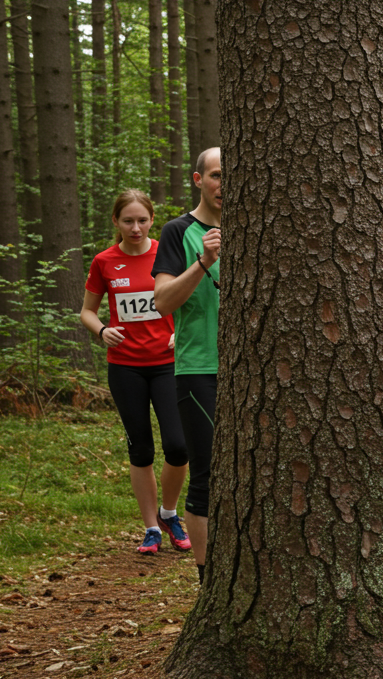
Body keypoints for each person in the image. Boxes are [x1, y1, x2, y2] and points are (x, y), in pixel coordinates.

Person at [80, 190, 191, 555]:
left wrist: (180, 331)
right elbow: (87, 311)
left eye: (142, 220)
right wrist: (101, 330)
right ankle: (150, 529)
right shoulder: (104, 261)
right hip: (125, 366)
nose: (136, 228)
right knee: (140, 449)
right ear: (115, 222)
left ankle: (169, 513)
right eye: (128, 221)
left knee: (178, 445)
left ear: (151, 219)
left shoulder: (166, 252)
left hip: (168, 363)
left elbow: (188, 297)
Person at [153, 147, 222, 583]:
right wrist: (204, 262)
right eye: (216, 175)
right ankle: (208, 583)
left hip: (260, 373)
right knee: (208, 478)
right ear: (198, 180)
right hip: (198, 369)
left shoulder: (266, 227)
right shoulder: (179, 231)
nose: (224, 184)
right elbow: (162, 301)